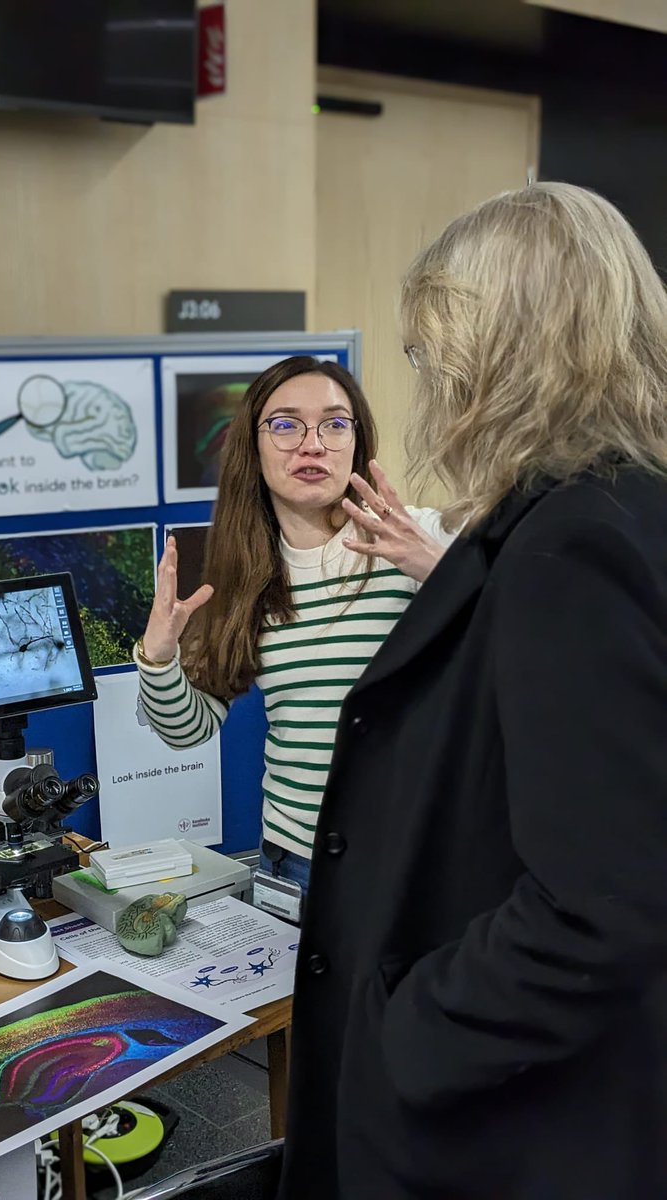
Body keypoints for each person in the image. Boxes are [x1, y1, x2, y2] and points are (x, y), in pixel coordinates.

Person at [279, 182, 667, 1200]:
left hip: (508, 1115)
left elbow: (604, 902)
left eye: (427, 354)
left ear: (493, 351)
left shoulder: (569, 549)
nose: (427, 385)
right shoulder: (625, 511)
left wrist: (408, 1032)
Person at [134, 356, 450, 899]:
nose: (312, 444)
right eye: (284, 425)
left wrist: (441, 571)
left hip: (411, 863)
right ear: (253, 449)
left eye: (334, 423)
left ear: (357, 440)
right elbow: (188, 731)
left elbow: (522, 665)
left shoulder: (422, 540)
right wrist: (159, 656)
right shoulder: (238, 576)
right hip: (292, 865)